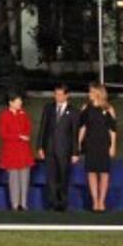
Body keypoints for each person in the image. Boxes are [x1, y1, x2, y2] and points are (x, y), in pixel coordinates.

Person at [36, 82, 81, 211]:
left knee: (63, 177)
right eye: (56, 94)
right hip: (49, 148)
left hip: (64, 150)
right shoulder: (48, 108)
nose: (58, 97)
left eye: (61, 95)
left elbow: (75, 134)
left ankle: (62, 203)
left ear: (67, 96)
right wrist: (40, 146)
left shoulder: (73, 112)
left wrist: (75, 152)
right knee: (50, 178)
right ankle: (51, 203)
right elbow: (43, 127)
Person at [79, 82, 118, 212]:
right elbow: (82, 127)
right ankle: (95, 201)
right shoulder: (86, 108)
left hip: (103, 144)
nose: (89, 94)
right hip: (90, 144)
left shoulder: (108, 109)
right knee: (91, 172)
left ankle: (102, 201)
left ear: (97, 93)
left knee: (104, 173)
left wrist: (112, 146)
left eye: (91, 91)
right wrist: (78, 143)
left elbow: (112, 130)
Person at [0, 90, 34, 210]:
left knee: (25, 178)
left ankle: (23, 204)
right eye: (18, 101)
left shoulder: (24, 114)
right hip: (11, 152)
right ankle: (14, 204)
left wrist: (23, 136)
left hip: (24, 152)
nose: (20, 103)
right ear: (11, 103)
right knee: (13, 180)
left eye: (20, 101)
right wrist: (18, 136)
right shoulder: (4, 115)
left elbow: (28, 129)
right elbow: (3, 134)